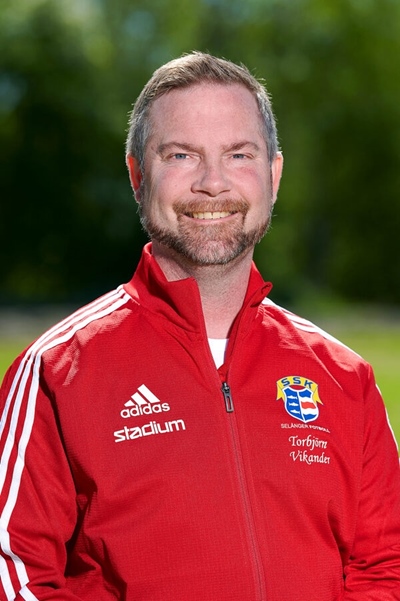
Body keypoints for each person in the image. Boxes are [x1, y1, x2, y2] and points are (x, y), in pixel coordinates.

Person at [0, 51, 399, 601]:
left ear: (273, 175)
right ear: (138, 175)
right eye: (181, 155)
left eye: (239, 154)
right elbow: (16, 575)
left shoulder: (344, 376)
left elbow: (385, 568)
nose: (213, 183)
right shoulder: (56, 371)